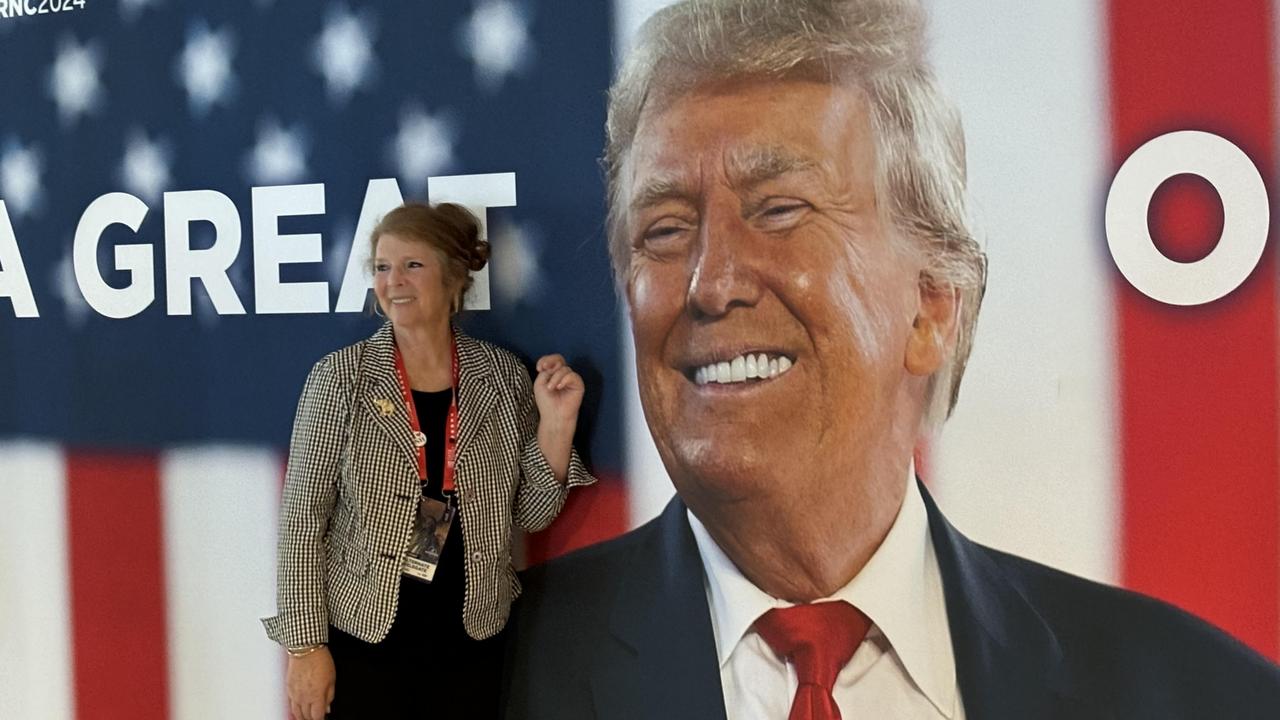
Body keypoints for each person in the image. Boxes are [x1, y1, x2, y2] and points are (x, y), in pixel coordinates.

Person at [500, 1, 1280, 718]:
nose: (711, 283)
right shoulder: (472, 684)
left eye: (779, 210)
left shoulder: (1202, 695)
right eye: (664, 230)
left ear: (933, 306)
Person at [263, 201, 596, 720]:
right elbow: (301, 522)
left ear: (454, 278)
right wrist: (306, 648)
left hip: (471, 639)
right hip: (364, 636)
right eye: (381, 267)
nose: (393, 281)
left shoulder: (502, 377)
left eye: (412, 265)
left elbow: (530, 515)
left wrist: (556, 425)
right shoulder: (340, 379)